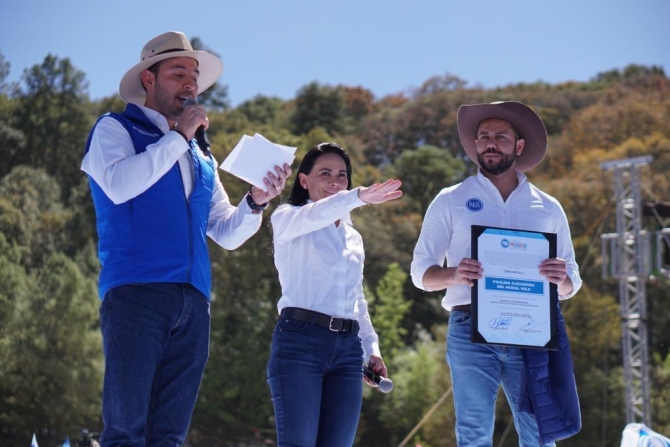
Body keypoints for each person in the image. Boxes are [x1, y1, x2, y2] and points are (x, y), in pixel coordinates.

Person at [81, 31, 290, 446]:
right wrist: (177, 138)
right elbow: (121, 186)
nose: (191, 84)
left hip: (194, 302)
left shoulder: (200, 155)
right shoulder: (115, 128)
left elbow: (226, 232)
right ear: (149, 80)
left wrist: (257, 200)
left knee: (170, 435)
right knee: (125, 431)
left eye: (194, 76)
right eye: (179, 73)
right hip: (136, 294)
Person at [411, 101, 583, 446]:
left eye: (500, 136)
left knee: (538, 433)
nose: (490, 142)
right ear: (475, 146)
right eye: (483, 136)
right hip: (467, 327)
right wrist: (454, 275)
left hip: (532, 332)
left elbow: (572, 280)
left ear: (519, 146)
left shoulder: (547, 207)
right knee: (473, 432)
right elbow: (420, 273)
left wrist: (560, 277)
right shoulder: (450, 200)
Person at [267, 142, 402, 446]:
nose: (335, 182)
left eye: (342, 175)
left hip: (348, 351)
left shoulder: (354, 238)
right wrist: (357, 197)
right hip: (299, 343)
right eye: (325, 173)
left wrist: (372, 349)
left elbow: (357, 299)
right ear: (304, 180)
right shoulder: (287, 218)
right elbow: (318, 215)